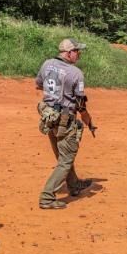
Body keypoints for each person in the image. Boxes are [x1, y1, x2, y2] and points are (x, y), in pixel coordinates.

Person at [36, 38, 95, 210]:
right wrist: (88, 120)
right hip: (65, 118)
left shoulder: (47, 64)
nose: (79, 54)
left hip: (49, 117)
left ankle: (74, 185)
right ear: (68, 53)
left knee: (64, 155)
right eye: (77, 51)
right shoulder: (76, 73)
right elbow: (80, 104)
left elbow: (38, 85)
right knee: (66, 160)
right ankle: (47, 197)